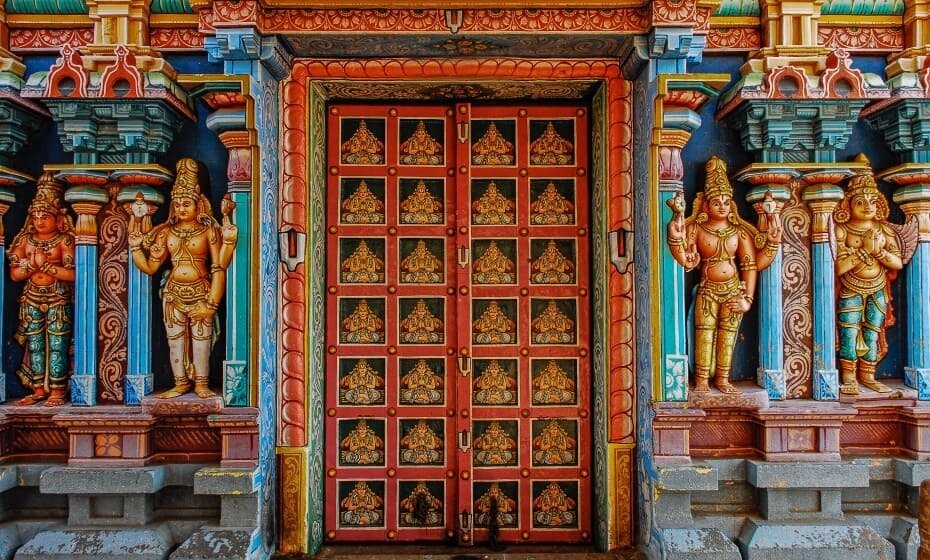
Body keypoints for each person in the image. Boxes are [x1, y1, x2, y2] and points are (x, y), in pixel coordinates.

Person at [666, 156, 781, 393]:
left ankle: (723, 379)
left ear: (732, 205)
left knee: (728, 337)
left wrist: (747, 298)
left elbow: (751, 265)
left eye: (726, 201)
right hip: (708, 290)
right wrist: (677, 224)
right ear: (705, 204)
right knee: (704, 335)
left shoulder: (739, 233)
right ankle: (700, 380)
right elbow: (684, 257)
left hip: (733, 290)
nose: (722, 206)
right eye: (716, 201)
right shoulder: (696, 228)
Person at [128, 158, 237, 398]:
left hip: (201, 290)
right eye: (177, 204)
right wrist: (135, 248)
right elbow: (150, 267)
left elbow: (219, 266)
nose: (181, 208)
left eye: (186, 203)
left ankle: (201, 383)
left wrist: (211, 304)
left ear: (199, 204)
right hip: (173, 293)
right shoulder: (166, 232)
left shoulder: (209, 230)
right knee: (174, 340)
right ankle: (180, 382)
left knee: (202, 341)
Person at [834, 169, 911, 394]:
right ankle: (849, 377)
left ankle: (868, 375)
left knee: (873, 330)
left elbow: (897, 262)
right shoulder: (842, 231)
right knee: (849, 329)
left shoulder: (884, 230)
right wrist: (861, 253)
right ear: (848, 205)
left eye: (872, 201)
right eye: (860, 201)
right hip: (851, 287)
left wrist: (878, 253)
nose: (868, 206)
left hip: (878, 288)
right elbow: (838, 267)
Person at [8, 173, 76, 406]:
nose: (39, 221)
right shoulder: (25, 241)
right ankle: (38, 389)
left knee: (58, 345)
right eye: (35, 216)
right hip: (31, 297)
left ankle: (57, 390)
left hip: (57, 298)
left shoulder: (64, 241)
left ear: (58, 218)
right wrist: (30, 267)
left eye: (45, 216)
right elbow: (14, 274)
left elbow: (74, 274)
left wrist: (47, 266)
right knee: (35, 344)